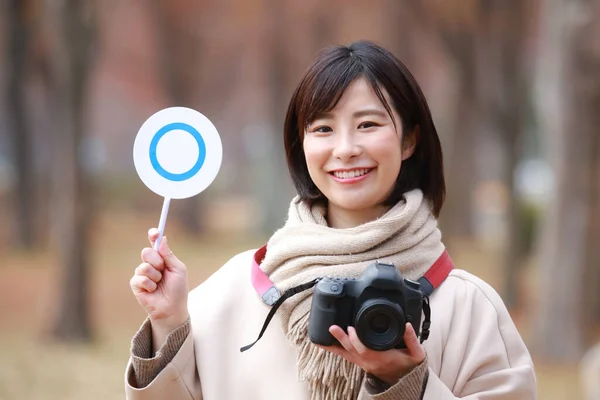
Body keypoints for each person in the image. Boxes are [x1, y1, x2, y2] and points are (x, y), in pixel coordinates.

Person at [125, 40, 537, 399]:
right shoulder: (233, 292)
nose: (345, 149)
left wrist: (406, 383)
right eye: (322, 128)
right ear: (300, 144)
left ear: (410, 139)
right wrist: (168, 324)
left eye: (368, 124)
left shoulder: (466, 307)